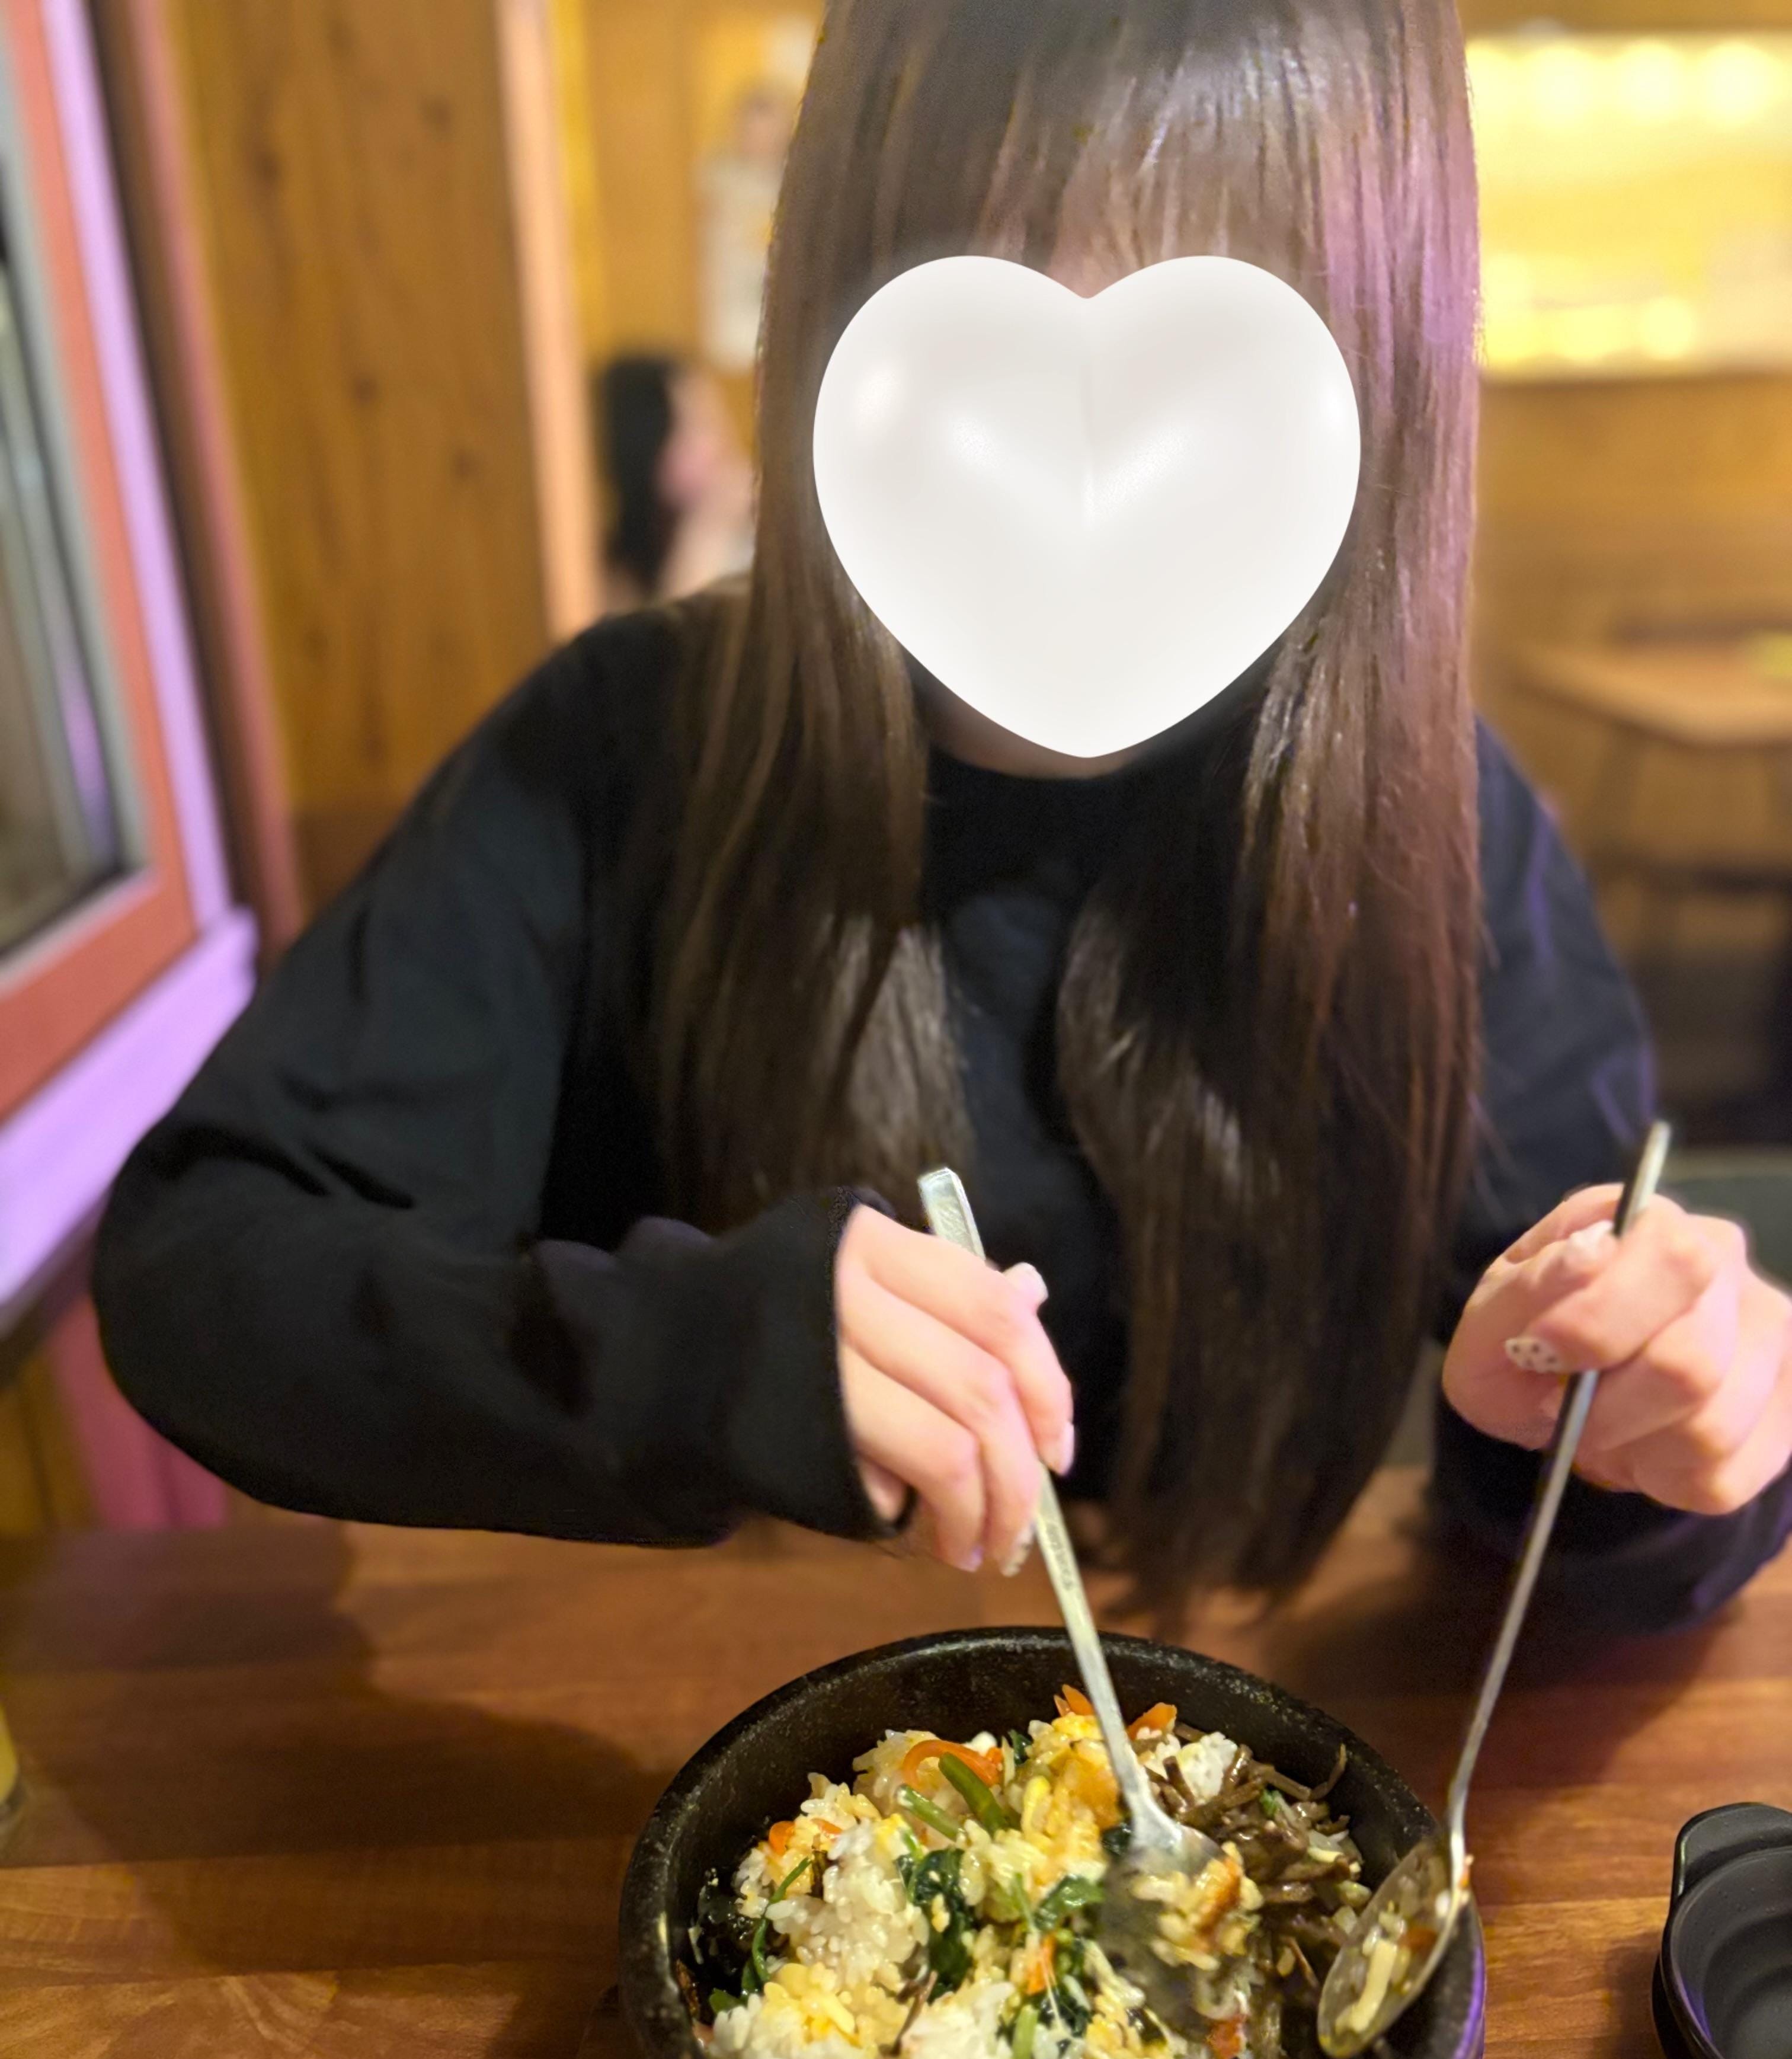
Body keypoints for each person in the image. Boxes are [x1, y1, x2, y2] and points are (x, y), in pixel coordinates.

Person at [95, 0, 1792, 1632]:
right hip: (711, 1729)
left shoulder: (1434, 825)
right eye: (987, 293)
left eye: (1209, 338)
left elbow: (1599, 1475)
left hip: (1250, 1728)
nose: (1084, 465)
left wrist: (1640, 1431)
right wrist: (691, 1358)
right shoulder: (623, 752)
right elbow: (204, 1268)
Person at [596, 354, 754, 610]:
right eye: (697, 426)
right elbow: (666, 633)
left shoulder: (749, 540)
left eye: (716, 420)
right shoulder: (610, 574)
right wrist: (706, 531)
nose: (720, 443)